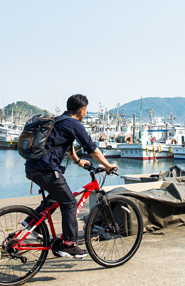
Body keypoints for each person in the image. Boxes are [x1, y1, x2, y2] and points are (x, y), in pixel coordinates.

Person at [25, 94, 118, 259]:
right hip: (47, 169)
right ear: (82, 111)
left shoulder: (59, 120)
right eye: (86, 111)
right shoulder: (74, 123)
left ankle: (32, 222)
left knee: (57, 196)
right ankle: (69, 245)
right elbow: (92, 148)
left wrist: (77, 161)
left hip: (32, 167)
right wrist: (107, 165)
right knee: (69, 204)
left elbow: (66, 145)